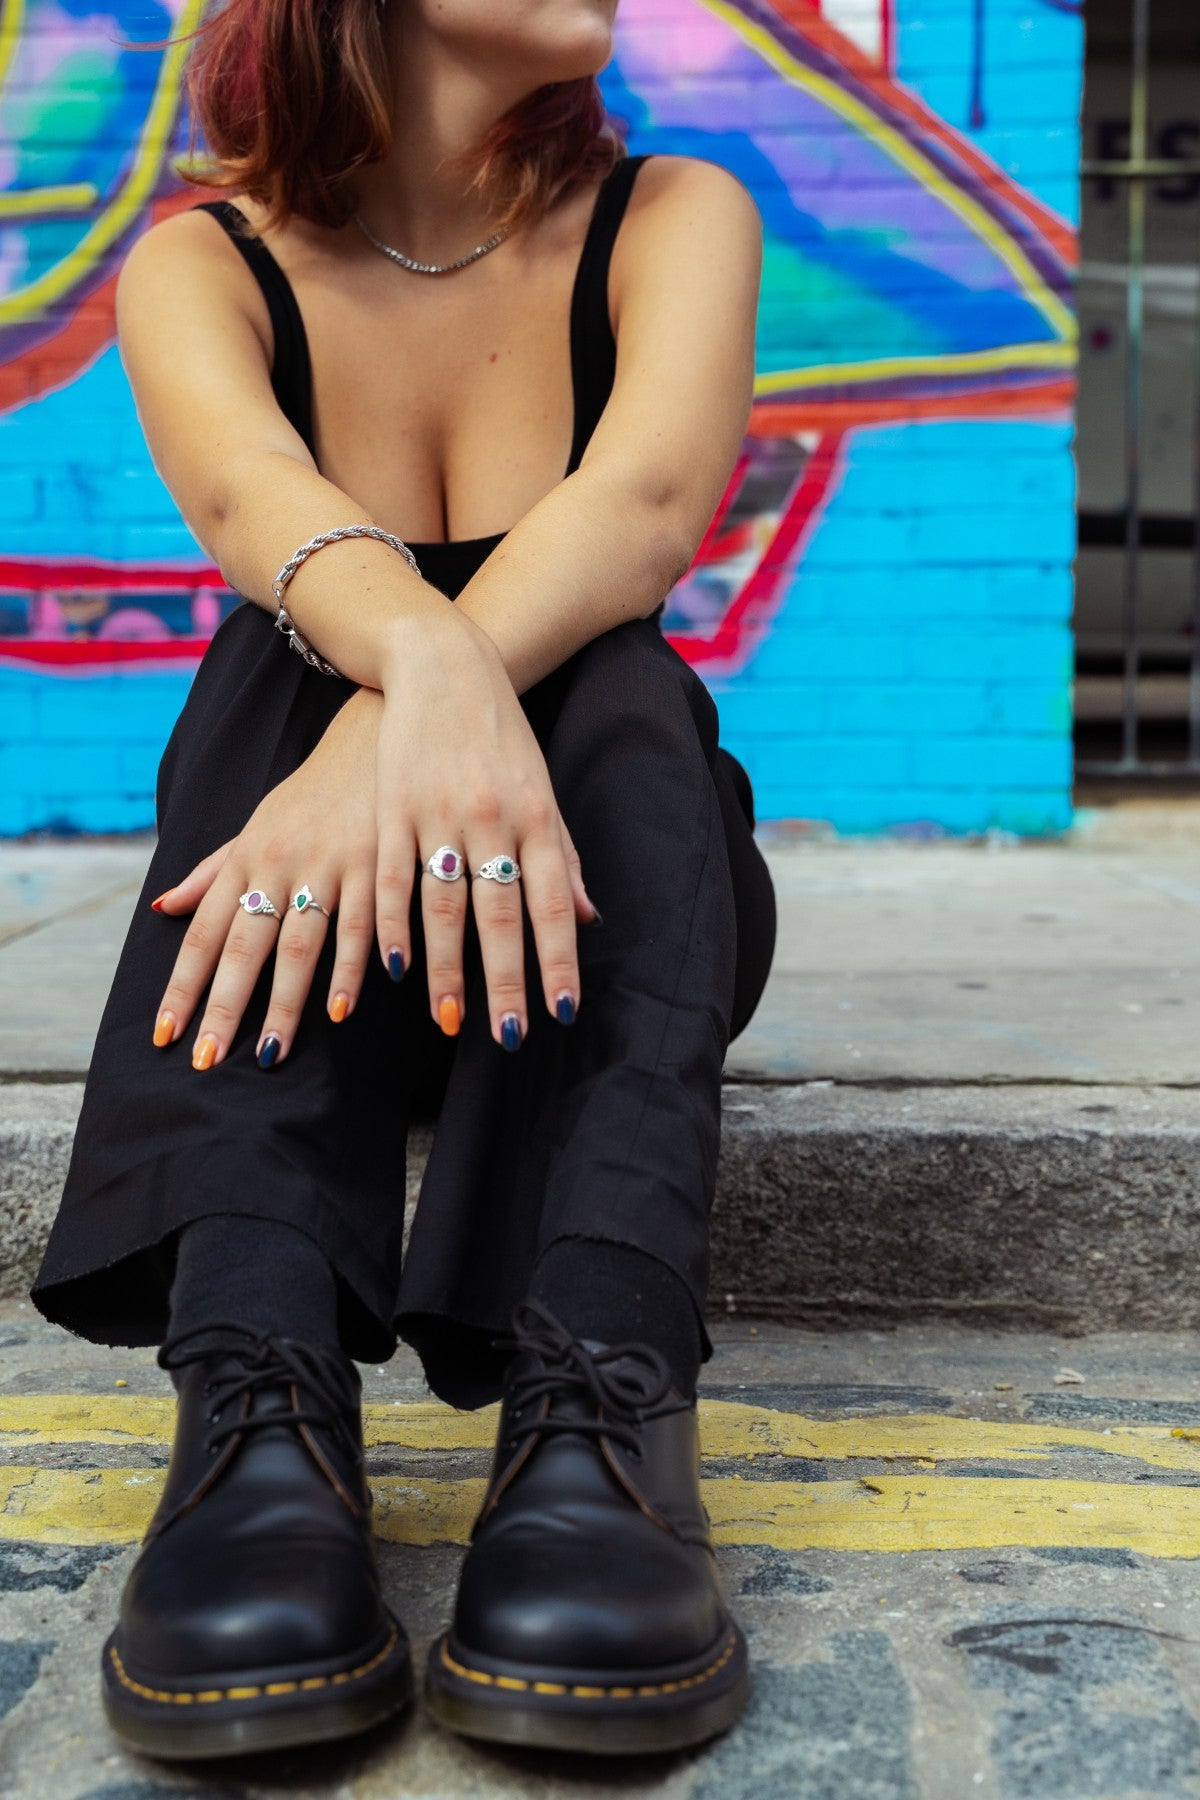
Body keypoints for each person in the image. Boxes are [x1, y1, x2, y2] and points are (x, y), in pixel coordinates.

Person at [28, 0, 776, 1764]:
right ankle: (258, 1385)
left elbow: (649, 502)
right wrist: (389, 698)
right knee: (274, 676)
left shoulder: (676, 215)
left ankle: (599, 1397)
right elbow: (250, 500)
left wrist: (426, 695)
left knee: (621, 688)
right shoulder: (201, 261)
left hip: (597, 909)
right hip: (335, 925)